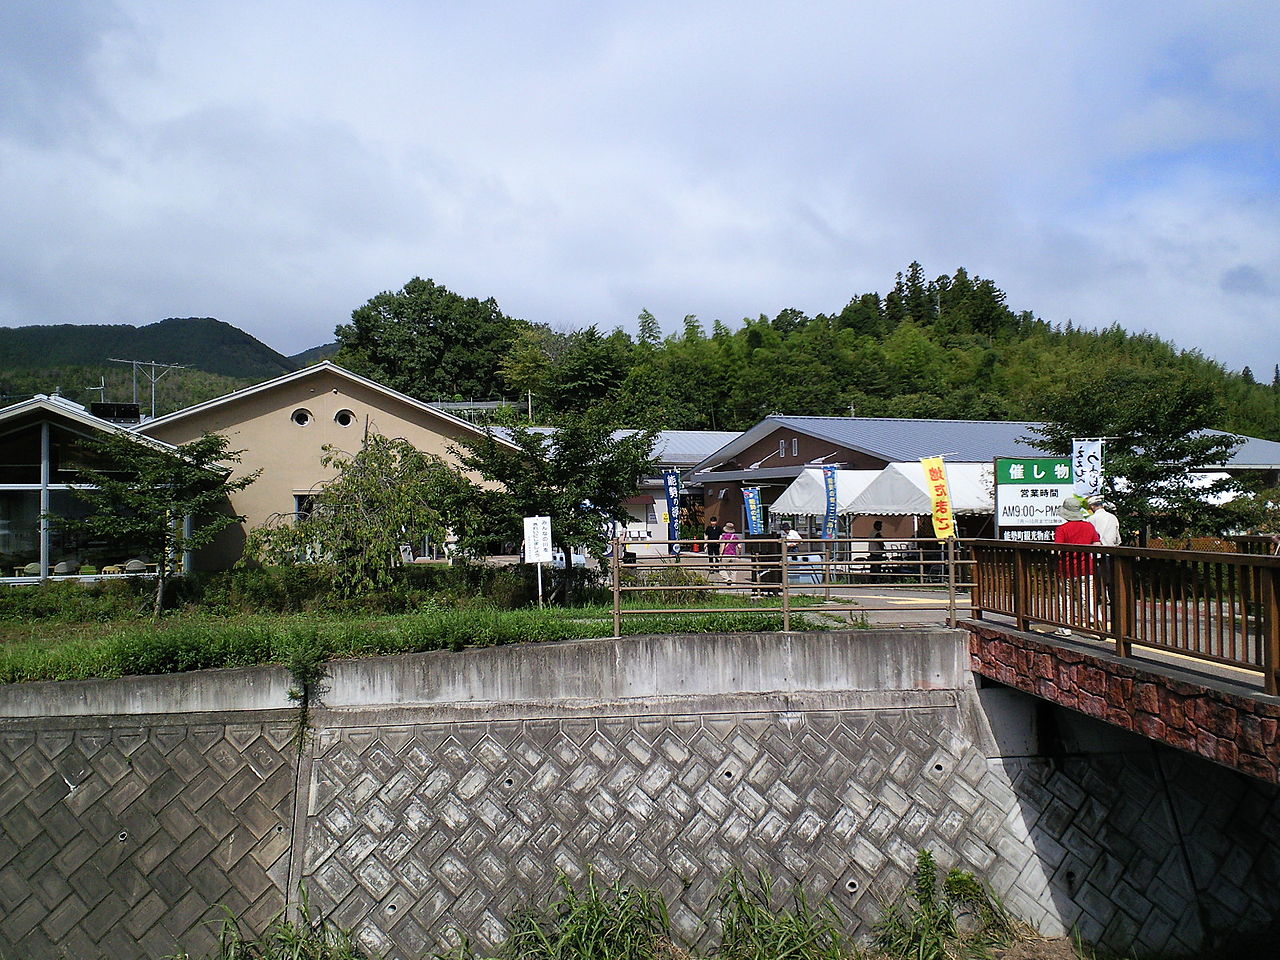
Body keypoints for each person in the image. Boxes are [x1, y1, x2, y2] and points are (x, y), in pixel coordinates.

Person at [1053, 496, 1101, 637]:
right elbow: (1097, 544)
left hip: (1067, 568)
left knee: (1066, 596)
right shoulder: (1089, 527)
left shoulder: (1062, 529)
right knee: (1088, 596)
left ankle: (1065, 627)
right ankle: (1094, 623)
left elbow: (1057, 549)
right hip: (1087, 567)